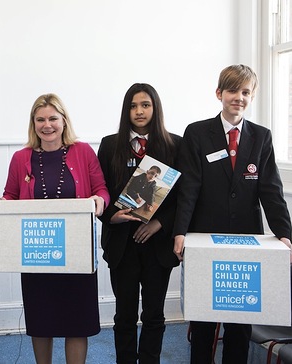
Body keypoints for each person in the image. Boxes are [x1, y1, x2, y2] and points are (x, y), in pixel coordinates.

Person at [173, 64, 292, 364]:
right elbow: (189, 186)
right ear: (219, 94)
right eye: (232, 91)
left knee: (239, 323)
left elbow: (271, 190)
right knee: (203, 321)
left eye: (245, 92)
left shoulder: (261, 137)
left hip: (246, 243)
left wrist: (284, 235)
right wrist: (179, 231)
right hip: (204, 239)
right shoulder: (197, 132)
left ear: (251, 97)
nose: (238, 97)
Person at [1, 93, 109, 364]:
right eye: (40, 119)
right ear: (33, 123)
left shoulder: (83, 151)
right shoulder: (20, 158)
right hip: (37, 252)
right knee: (41, 320)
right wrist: (3, 204)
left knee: (77, 321)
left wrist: (99, 201)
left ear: (64, 121)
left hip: (77, 252)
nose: (46, 125)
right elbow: (10, 195)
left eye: (52, 118)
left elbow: (101, 190)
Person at [97, 83, 181, 364]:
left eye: (145, 105)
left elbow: (185, 197)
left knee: (154, 315)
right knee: (124, 315)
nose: (139, 111)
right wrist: (111, 216)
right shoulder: (110, 144)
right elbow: (101, 191)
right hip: (122, 243)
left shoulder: (174, 144)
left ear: (155, 108)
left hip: (158, 244)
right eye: (133, 106)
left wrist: (158, 224)